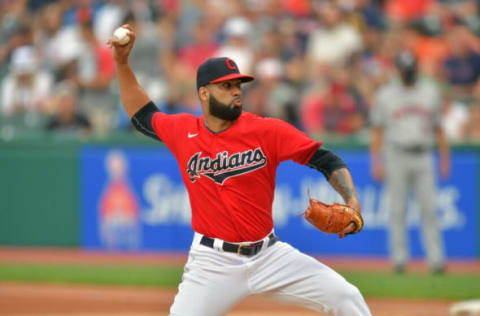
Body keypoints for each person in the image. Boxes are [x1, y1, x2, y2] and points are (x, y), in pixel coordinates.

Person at [108, 24, 371, 316]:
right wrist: (121, 64)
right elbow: (142, 115)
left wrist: (351, 199)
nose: (236, 92)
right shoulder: (183, 130)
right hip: (212, 263)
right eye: (226, 86)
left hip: (269, 255)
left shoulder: (266, 130)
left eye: (238, 85)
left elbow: (326, 159)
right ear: (204, 94)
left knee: (346, 297)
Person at [369, 50, 450, 274]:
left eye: (411, 69)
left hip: (424, 153)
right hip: (396, 154)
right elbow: (377, 130)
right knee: (397, 209)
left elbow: (439, 129)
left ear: (417, 69)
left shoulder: (430, 91)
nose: (408, 74)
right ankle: (399, 260)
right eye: (405, 70)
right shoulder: (386, 94)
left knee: (430, 209)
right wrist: (376, 161)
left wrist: (444, 158)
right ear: (398, 70)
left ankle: (436, 261)